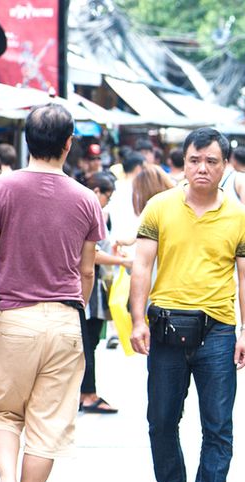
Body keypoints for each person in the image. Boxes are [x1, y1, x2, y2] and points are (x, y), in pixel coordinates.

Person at [129, 127, 245, 482]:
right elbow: (141, 266)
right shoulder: (158, 207)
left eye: (211, 161)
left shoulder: (239, 216)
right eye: (194, 160)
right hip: (165, 328)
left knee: (218, 424)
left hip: (218, 332)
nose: (202, 168)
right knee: (161, 418)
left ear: (225, 166)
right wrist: (136, 320)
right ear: (183, 163)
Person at [0, 104, 106, 482]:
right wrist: (74, 307)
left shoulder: (2, 189)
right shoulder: (85, 198)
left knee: (5, 411)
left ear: (27, 140)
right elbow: (87, 271)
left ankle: (5, 481)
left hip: (12, 318)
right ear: (68, 143)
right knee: (48, 424)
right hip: (64, 319)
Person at [79, 173, 132, 414]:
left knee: (89, 342)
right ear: (97, 191)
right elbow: (91, 255)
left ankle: (84, 392)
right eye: (107, 198)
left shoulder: (83, 207)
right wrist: (123, 263)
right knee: (87, 343)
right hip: (85, 291)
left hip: (87, 289)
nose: (106, 203)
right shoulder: (87, 210)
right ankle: (88, 394)